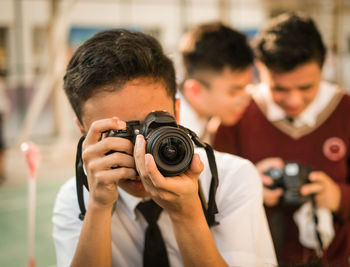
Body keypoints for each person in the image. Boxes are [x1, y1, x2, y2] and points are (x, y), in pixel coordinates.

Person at [52, 29, 277, 267]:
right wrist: (98, 208)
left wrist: (187, 213)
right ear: (83, 131)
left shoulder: (231, 178)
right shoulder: (77, 201)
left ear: (177, 112)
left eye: (151, 128)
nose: (139, 152)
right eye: (116, 135)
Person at [214, 12, 350, 267]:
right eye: (279, 89)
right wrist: (246, 184)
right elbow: (210, 194)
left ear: (324, 65)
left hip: (330, 260)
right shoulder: (236, 115)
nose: (294, 101)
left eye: (306, 88)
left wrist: (336, 196)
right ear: (259, 71)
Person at [178, 21, 254, 143]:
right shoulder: (178, 138)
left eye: (248, 86)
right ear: (195, 90)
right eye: (233, 92)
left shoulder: (206, 120)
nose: (245, 100)